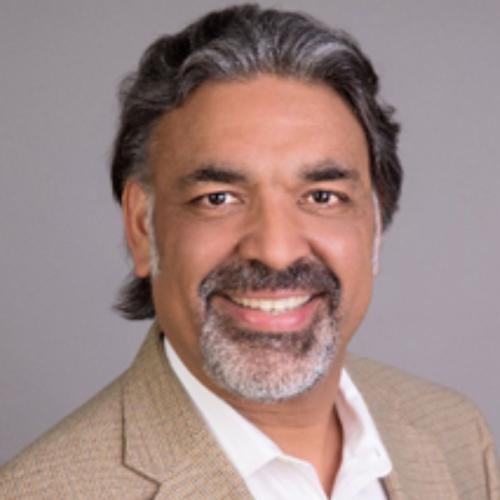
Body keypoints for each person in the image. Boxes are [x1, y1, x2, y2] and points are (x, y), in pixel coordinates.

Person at [0, 4, 498, 499]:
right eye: (218, 199)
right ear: (142, 228)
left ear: (374, 225)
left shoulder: (456, 435)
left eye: (322, 197)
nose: (276, 252)